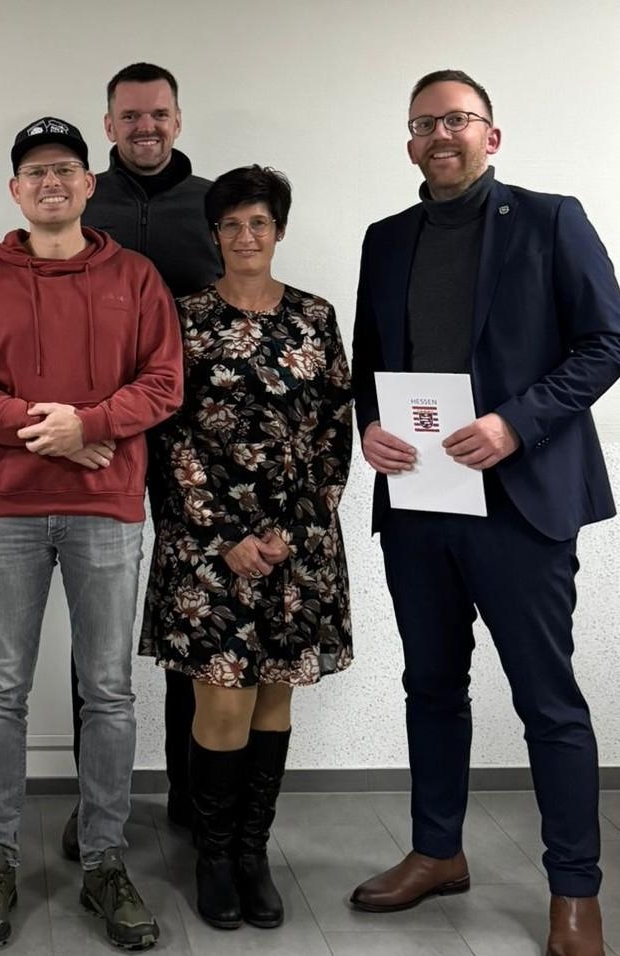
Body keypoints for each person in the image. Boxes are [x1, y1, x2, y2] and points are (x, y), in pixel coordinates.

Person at [349, 69, 620, 956]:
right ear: (408, 141)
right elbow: (369, 365)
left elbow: (606, 340)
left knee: (547, 702)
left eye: (457, 120)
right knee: (429, 687)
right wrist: (371, 430)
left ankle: (573, 891)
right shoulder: (385, 240)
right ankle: (437, 851)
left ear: (490, 136)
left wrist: (515, 423)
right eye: (424, 122)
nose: (440, 135)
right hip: (421, 503)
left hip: (521, 504)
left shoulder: (550, 220)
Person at [0, 116, 183, 951]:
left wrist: (90, 422)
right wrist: (45, 429)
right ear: (16, 191)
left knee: (107, 691)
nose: (51, 183)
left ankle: (105, 862)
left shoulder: (137, 276)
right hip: (6, 510)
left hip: (107, 509)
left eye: (66, 171)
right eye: (36, 172)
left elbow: (163, 382)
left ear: (89, 185)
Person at [140, 164, 353, 931]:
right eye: (230, 225)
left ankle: (252, 853)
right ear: (213, 235)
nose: (244, 237)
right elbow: (165, 438)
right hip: (207, 552)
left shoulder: (314, 317)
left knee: (272, 703)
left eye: (258, 223)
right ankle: (211, 853)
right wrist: (224, 537)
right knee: (220, 704)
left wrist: (288, 534)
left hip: (296, 550)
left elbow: (334, 433)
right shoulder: (182, 317)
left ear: (278, 231)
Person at [54, 62, 222, 857]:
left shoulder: (214, 205)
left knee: (194, 614)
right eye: (129, 116)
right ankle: (94, 802)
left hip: (203, 443)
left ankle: (192, 794)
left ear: (178, 120)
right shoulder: (86, 200)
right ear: (108, 124)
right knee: (97, 631)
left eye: (158, 113)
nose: (144, 127)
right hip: (99, 438)